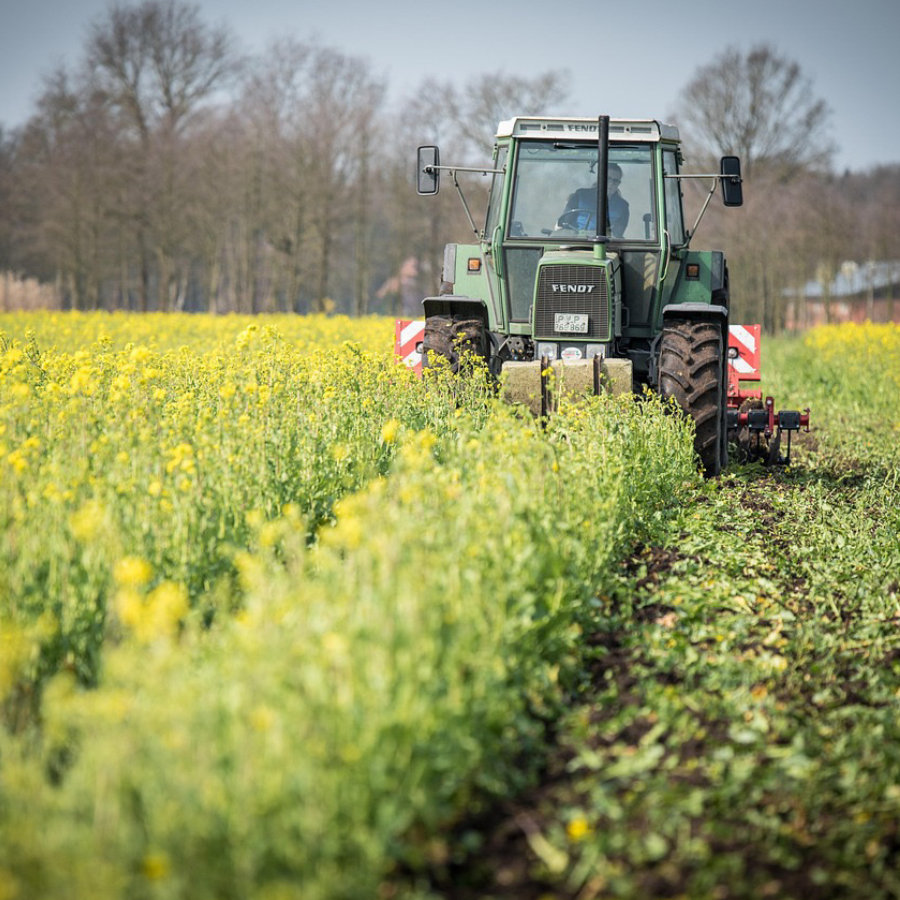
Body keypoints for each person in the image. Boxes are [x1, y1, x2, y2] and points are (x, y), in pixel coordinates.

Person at [559, 163, 630, 238]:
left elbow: (618, 233)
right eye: (608, 178)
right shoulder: (580, 196)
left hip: (606, 244)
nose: (611, 183)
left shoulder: (623, 206)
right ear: (600, 178)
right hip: (576, 241)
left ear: (619, 183)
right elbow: (564, 222)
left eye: (615, 181)